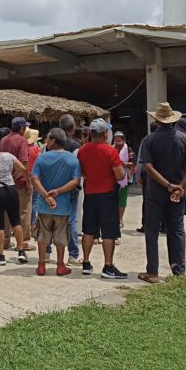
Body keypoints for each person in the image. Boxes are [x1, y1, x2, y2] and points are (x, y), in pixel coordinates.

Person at [140, 103, 186, 283]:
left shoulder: (149, 140)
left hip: (156, 193)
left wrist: (167, 185)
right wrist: (181, 187)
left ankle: (152, 272)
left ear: (157, 120)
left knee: (152, 231)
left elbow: (148, 167)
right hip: (177, 194)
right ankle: (178, 271)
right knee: (177, 230)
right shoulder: (185, 139)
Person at [78, 118, 128, 280]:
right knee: (109, 231)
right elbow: (120, 175)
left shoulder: (83, 150)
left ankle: (86, 263)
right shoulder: (110, 151)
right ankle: (108, 266)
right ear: (105, 134)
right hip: (107, 195)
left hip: (90, 194)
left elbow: (82, 172)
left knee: (88, 230)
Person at [31, 128, 81, 276]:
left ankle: (41, 265)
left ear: (53, 141)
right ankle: (60, 266)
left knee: (42, 235)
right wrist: (58, 191)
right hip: (63, 205)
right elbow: (76, 181)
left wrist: (46, 196)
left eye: (47, 139)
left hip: (44, 205)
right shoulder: (72, 159)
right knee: (61, 236)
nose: (46, 142)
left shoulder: (42, 158)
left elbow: (34, 178)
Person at [0, 134, 29, 266]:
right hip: (11, 189)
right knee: (16, 221)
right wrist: (15, 176)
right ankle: (21, 251)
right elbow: (23, 169)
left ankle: (0, 255)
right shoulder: (9, 156)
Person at [0, 117, 34, 251]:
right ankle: (23, 242)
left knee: (6, 213)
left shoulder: (3, 140)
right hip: (19, 182)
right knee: (24, 212)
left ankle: (5, 240)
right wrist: (28, 182)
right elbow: (24, 163)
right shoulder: (22, 141)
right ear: (22, 128)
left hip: (4, 182)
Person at [58, 114, 82, 264]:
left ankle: (46, 252)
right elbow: (78, 167)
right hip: (70, 186)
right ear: (73, 127)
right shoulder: (75, 145)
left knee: (50, 218)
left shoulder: (50, 142)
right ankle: (73, 254)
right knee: (71, 220)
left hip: (53, 186)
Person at [112, 132, 133, 233]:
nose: (117, 143)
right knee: (112, 199)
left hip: (125, 178)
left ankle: (120, 218)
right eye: (115, 141)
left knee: (122, 199)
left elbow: (133, 162)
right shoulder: (111, 149)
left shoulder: (128, 150)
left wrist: (124, 163)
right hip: (112, 178)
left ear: (124, 141)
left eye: (119, 141)